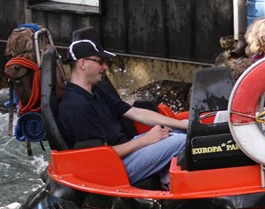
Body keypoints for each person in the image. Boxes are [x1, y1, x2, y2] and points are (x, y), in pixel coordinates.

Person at [57, 39, 189, 188]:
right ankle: (172, 189)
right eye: (100, 61)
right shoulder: (77, 107)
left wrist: (183, 124)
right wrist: (146, 140)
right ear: (82, 63)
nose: (105, 67)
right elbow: (98, 156)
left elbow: (136, 112)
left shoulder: (95, 91)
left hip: (124, 151)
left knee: (181, 131)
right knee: (183, 142)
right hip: (113, 168)